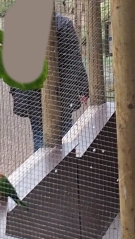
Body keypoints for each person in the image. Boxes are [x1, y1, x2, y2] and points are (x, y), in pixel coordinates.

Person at [11, 13, 90, 151]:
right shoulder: (63, 24)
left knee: (41, 135)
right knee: (63, 135)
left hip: (34, 94)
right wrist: (83, 88)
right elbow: (74, 61)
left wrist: (16, 92)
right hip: (59, 93)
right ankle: (63, 168)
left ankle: (47, 170)